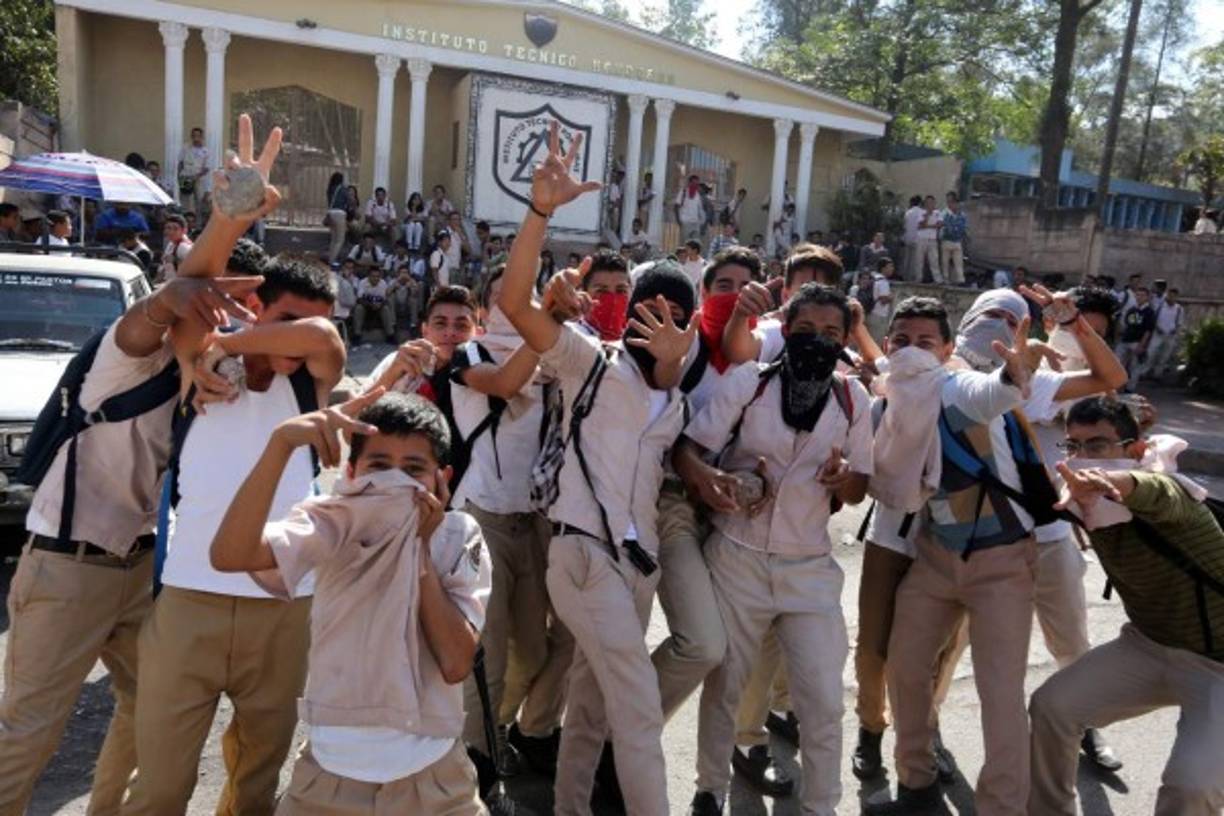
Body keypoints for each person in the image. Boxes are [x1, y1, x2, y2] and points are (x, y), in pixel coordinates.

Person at [0, 258, 262, 815]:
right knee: (30, 731)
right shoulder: (127, 355)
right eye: (211, 308)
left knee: (156, 710)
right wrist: (179, 289)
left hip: (141, 565)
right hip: (66, 566)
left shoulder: (208, 377)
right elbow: (155, 312)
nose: (221, 324)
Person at [499, 123, 697, 815]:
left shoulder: (672, 395)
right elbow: (513, 305)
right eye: (650, 310)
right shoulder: (590, 361)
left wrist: (674, 357)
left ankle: (570, 807)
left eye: (678, 316)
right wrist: (540, 212)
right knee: (637, 710)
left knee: (588, 710)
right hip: (582, 555)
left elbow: (673, 374)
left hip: (635, 566)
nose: (659, 324)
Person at [121, 257, 345, 816]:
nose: (291, 343)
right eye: (283, 318)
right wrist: (215, 354)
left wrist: (234, 343)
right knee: (160, 787)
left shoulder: (309, 377)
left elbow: (320, 337)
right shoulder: (198, 363)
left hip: (282, 604)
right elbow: (185, 297)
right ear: (257, 309)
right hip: (190, 598)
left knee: (255, 787)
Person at [209, 391, 491, 815]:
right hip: (330, 777)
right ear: (353, 471)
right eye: (379, 467)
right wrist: (280, 445)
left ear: (442, 479)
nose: (393, 482)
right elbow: (230, 554)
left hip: (434, 780)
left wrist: (421, 549)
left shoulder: (456, 535)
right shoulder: (333, 521)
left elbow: (455, 662)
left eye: (413, 470)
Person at [677, 282, 872, 816]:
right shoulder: (750, 383)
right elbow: (687, 450)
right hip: (736, 555)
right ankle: (709, 790)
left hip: (808, 569)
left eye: (831, 332)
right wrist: (711, 477)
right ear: (785, 331)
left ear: (844, 339)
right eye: (806, 330)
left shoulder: (855, 400)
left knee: (824, 701)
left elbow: (858, 489)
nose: (817, 340)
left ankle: (821, 807)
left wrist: (844, 477)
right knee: (727, 685)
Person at [868, 289, 1056, 816]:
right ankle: (917, 785)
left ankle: (1002, 808)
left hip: (1001, 562)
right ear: (887, 345)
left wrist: (1013, 375)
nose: (912, 352)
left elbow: (992, 393)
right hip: (935, 555)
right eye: (901, 341)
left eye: (926, 343)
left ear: (948, 350)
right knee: (905, 670)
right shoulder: (887, 400)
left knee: (999, 696)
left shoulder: (956, 389)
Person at [1030, 396, 1224, 815]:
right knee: (1052, 707)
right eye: (1073, 447)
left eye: (1097, 446)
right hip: (1148, 645)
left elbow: (1156, 492)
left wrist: (1115, 483)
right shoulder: (1086, 506)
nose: (1082, 460)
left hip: (1218, 666)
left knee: (1192, 785)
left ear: (1136, 452)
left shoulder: (1174, 493)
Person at [1116, 286, 1156, 392]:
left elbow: (1148, 330)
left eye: (1142, 295)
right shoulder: (1132, 310)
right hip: (1125, 340)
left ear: (1147, 297)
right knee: (1118, 363)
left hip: (1138, 342)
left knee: (1135, 367)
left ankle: (1130, 389)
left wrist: (1142, 345)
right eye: (1138, 295)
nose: (1139, 297)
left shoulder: (1149, 312)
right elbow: (1128, 325)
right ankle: (1116, 386)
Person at [1147, 286, 1184, 381]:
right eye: (1170, 295)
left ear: (1176, 297)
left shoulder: (1179, 309)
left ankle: (1157, 374)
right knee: (1151, 353)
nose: (1171, 297)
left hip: (1170, 335)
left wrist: (1175, 330)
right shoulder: (1159, 306)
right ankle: (1145, 372)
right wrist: (1157, 328)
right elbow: (1153, 319)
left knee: (1164, 355)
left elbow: (1179, 323)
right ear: (1167, 295)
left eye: (1174, 296)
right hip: (1158, 333)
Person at [353, 266, 395, 342]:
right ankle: (357, 335)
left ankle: (390, 335)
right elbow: (359, 299)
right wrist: (370, 305)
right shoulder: (363, 282)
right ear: (368, 276)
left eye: (377, 276)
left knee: (385, 308)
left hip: (379, 307)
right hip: (366, 306)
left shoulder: (383, 283)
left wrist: (380, 305)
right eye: (373, 276)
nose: (376, 278)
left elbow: (385, 299)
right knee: (359, 308)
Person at [178, 126, 211, 216]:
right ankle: (185, 222)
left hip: (199, 179)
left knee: (199, 202)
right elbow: (180, 162)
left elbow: (207, 168)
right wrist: (179, 177)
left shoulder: (206, 151)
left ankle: (198, 225)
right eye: (194, 136)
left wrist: (196, 176)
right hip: (185, 177)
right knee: (185, 201)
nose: (196, 138)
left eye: (198, 136)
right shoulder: (185, 148)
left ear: (201, 137)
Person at [156, 214, 193, 285]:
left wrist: (175, 261)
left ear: (184, 230)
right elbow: (164, 269)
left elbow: (193, 270)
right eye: (168, 228)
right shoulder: (171, 244)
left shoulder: (184, 247)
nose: (171, 232)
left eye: (175, 229)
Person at [940, 191, 967, 284]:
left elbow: (964, 227)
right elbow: (940, 224)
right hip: (946, 240)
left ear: (956, 202)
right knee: (945, 262)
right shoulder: (944, 213)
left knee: (959, 262)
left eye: (951, 201)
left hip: (957, 241)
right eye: (948, 202)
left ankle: (960, 280)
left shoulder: (962, 214)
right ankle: (945, 279)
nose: (949, 204)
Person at [388, 265, 421, 340]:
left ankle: (413, 326)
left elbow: (415, 294)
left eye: (406, 272)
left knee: (414, 300)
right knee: (390, 298)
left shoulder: (412, 281)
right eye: (402, 272)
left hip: (407, 305)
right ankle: (393, 325)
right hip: (396, 305)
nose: (404, 274)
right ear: (398, 274)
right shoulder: (393, 281)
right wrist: (395, 285)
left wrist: (410, 287)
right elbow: (387, 293)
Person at [914, 195, 942, 283]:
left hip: (932, 239)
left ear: (934, 203)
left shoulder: (938, 213)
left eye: (931, 202)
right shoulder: (921, 212)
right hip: (921, 239)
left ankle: (938, 280)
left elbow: (939, 225)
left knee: (934, 260)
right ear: (925, 203)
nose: (929, 204)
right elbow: (920, 226)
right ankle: (918, 278)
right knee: (919, 260)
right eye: (928, 202)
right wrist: (926, 217)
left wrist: (928, 226)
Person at [324, 172, 348, 261]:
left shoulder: (330, 189)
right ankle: (332, 260)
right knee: (340, 240)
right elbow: (348, 200)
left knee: (333, 239)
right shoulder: (343, 189)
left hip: (331, 213)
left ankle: (330, 258)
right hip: (340, 214)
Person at [675, 174, 706, 240]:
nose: (695, 185)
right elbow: (676, 206)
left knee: (695, 244)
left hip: (695, 223)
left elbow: (700, 209)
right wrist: (679, 221)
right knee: (684, 244)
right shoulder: (683, 192)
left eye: (697, 184)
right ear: (689, 183)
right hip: (685, 222)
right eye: (693, 183)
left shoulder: (698, 195)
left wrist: (701, 221)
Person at [901, 196, 923, 281]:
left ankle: (905, 276)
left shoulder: (908, 213)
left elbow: (904, 226)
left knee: (907, 259)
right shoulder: (922, 212)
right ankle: (913, 277)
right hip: (918, 239)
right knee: (915, 260)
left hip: (907, 238)